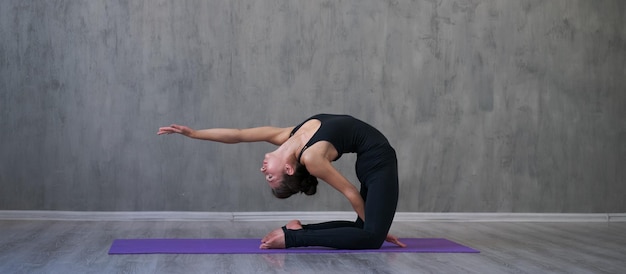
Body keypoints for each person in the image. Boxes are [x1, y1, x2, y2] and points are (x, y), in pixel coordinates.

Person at [157, 114, 405, 249]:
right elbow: (351, 193)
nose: (262, 169)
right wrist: (377, 231)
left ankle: (299, 230)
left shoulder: (291, 135)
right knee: (371, 238)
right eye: (269, 176)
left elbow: (240, 135)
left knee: (367, 231)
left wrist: (194, 134)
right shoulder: (311, 157)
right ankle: (294, 237)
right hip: (379, 160)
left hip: (371, 160)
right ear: (288, 168)